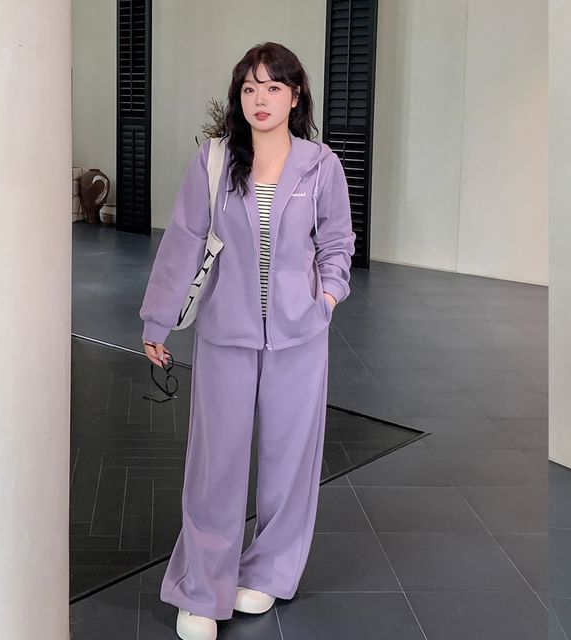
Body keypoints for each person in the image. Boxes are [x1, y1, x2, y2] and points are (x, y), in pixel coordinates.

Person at [139, 42, 356, 640]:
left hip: (300, 335)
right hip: (225, 334)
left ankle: (269, 572)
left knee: (291, 462)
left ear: (295, 96)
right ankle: (201, 589)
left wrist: (327, 297)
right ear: (239, 97)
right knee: (216, 466)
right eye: (250, 88)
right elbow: (184, 240)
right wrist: (158, 320)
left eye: (273, 87)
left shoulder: (321, 165)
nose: (261, 99)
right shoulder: (213, 160)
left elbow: (337, 241)